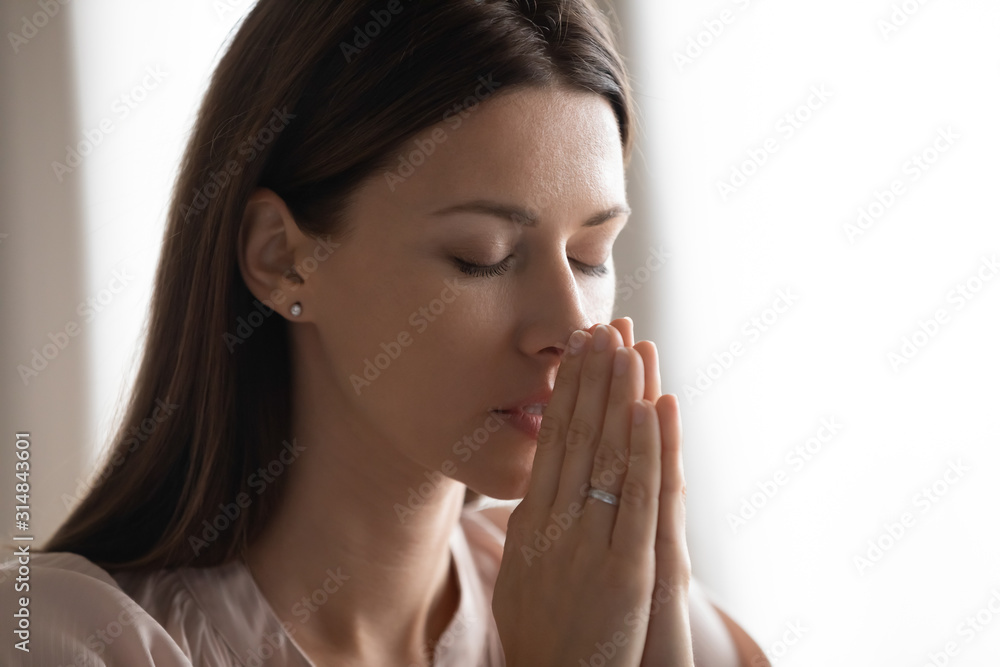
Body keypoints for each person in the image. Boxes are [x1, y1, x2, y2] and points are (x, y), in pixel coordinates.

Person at [0, 1, 770, 665]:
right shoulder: (64, 637)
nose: (571, 327)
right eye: (484, 258)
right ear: (282, 259)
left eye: (590, 256)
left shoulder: (615, 593)